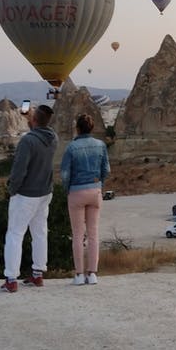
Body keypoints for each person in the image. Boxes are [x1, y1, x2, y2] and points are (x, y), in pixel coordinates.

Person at [1, 104, 58, 293]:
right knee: (40, 232)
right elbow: (40, 129)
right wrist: (33, 119)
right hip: (45, 192)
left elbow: (19, 170)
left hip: (26, 194)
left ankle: (11, 278)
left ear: (34, 120)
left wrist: (12, 189)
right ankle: (37, 274)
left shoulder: (28, 141)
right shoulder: (53, 138)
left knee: (15, 234)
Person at [60, 113, 110, 286]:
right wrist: (99, 185)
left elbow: (65, 174)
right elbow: (106, 169)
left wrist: (68, 190)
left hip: (76, 192)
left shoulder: (71, 148)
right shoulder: (101, 145)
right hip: (94, 190)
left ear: (78, 128)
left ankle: (79, 274)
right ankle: (93, 273)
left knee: (78, 235)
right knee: (94, 233)